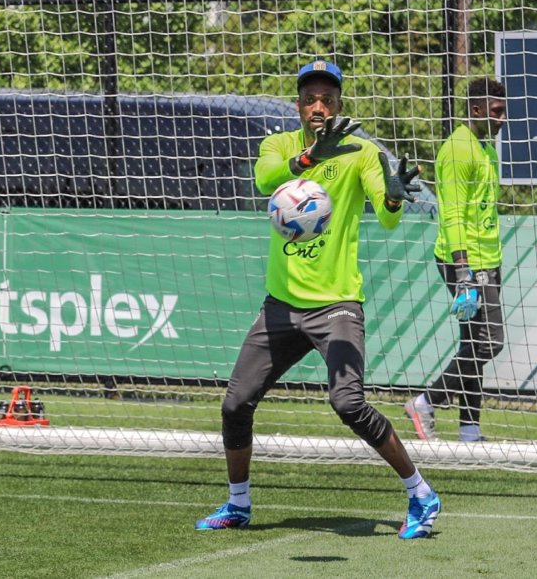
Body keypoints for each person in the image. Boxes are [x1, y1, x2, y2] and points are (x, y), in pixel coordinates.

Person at [195, 60, 441, 540]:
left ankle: (420, 493)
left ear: (340, 104)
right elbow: (265, 179)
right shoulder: (280, 145)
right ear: (298, 105)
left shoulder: (361, 151)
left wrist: (391, 197)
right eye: (310, 98)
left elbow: (389, 218)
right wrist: (306, 161)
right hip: (282, 306)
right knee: (235, 404)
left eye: (328, 98)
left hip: (336, 305)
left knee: (347, 402)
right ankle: (238, 504)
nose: (318, 107)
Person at [405, 77, 507, 443]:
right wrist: (464, 271)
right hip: (465, 262)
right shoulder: (457, 150)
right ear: (476, 110)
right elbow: (452, 214)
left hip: (488, 260)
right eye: (496, 112)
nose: (502, 119)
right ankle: (425, 401)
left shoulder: (486, 149)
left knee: (472, 342)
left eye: (504, 111)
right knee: (488, 343)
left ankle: (469, 428)